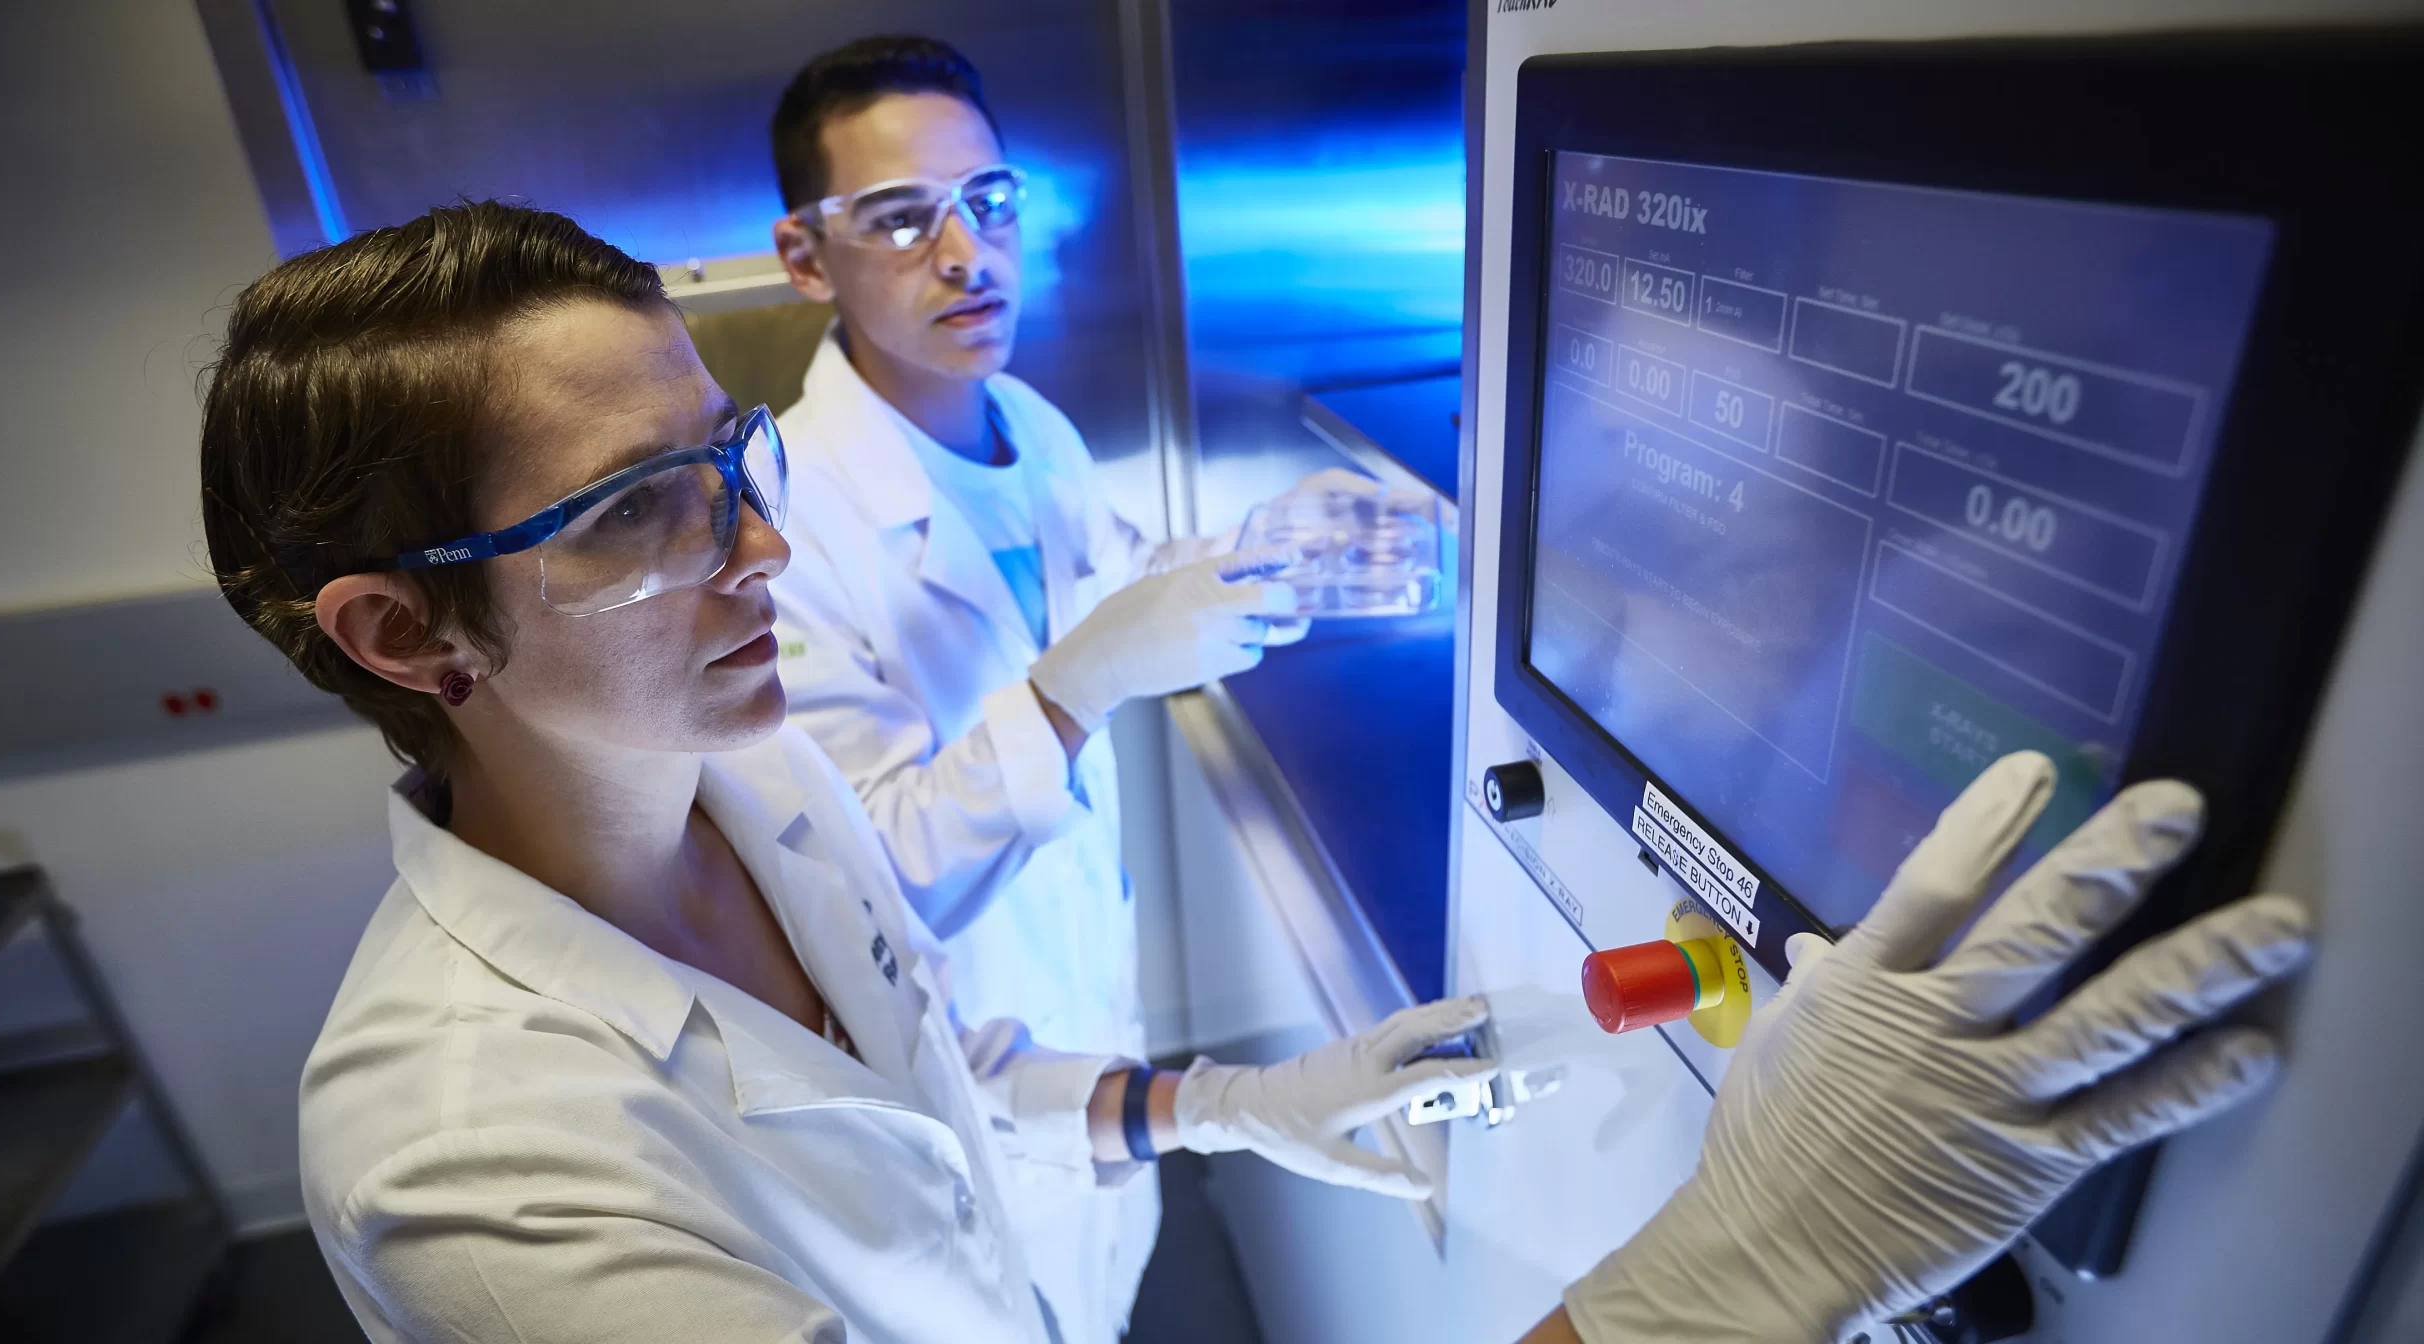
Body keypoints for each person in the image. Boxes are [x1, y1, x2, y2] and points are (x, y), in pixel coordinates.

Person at [213, 201, 2310, 1344]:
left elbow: (917, 1076)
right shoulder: (485, 1175)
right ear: (403, 635)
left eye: (734, 464)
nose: (758, 547)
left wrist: (1218, 1103)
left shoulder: (735, 783)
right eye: (638, 512)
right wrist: (1734, 1283)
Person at [758, 43, 1316, 1332]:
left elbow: (1120, 587)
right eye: (902, 217)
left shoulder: (1025, 423)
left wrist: (1283, 542)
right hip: (959, 1123)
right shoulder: (784, 526)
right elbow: (878, 883)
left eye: (991, 200)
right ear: (805, 256)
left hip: (1088, 1050)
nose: (967, 253)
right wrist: (1079, 685)